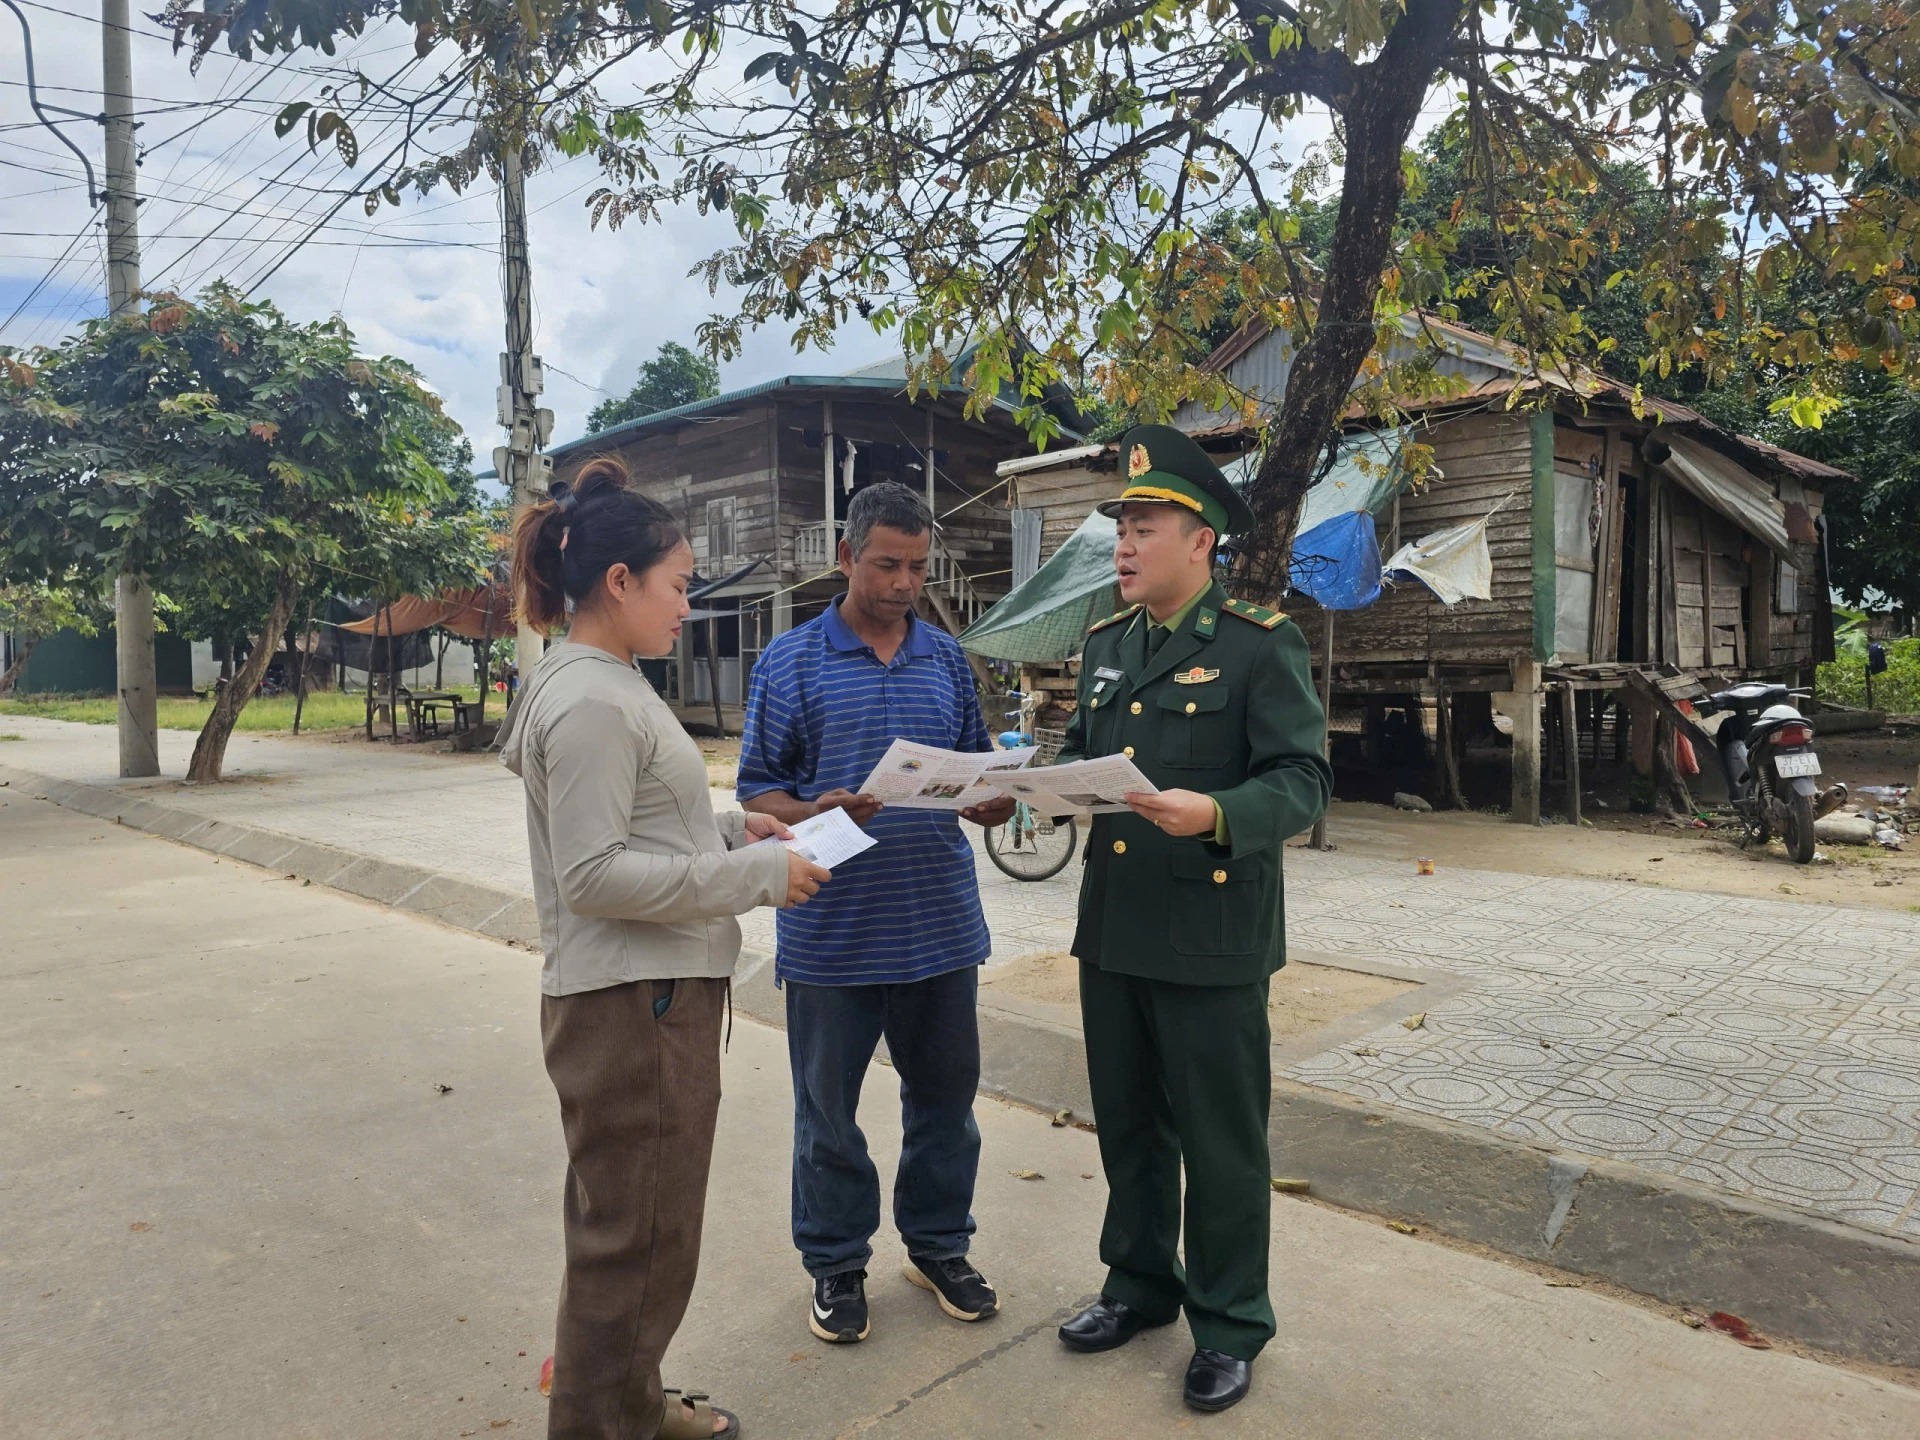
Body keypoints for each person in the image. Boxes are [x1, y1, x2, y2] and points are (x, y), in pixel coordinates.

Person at [499, 457, 832, 1440]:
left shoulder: (598, 683)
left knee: (638, 1234)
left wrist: (732, 832)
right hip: (633, 1009)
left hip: (643, 997)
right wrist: (757, 877)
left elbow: (639, 826)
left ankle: (630, 1404)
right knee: (635, 1245)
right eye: (679, 586)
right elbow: (593, 875)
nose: (689, 606)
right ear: (619, 582)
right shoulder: (595, 701)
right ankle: (604, 1423)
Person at [1054, 425, 1333, 1414]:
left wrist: (1217, 813)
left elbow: (1303, 780)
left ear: (1201, 541)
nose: (1125, 545)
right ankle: (1138, 1285)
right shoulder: (1106, 646)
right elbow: (1081, 758)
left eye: (1145, 527)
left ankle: (1229, 1322)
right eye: (1121, 528)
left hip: (1212, 938)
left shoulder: (1259, 644)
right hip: (1116, 931)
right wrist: (1027, 790)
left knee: (1221, 1144)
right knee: (1130, 1127)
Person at [737, 481, 1016, 1346]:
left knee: (946, 1108)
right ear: (846, 556)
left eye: (919, 567)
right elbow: (758, 794)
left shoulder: (946, 658)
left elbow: (975, 771)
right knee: (828, 1115)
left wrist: (994, 801)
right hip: (833, 930)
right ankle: (836, 1262)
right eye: (888, 565)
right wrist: (811, 807)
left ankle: (938, 1248)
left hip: (940, 925)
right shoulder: (789, 662)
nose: (904, 583)